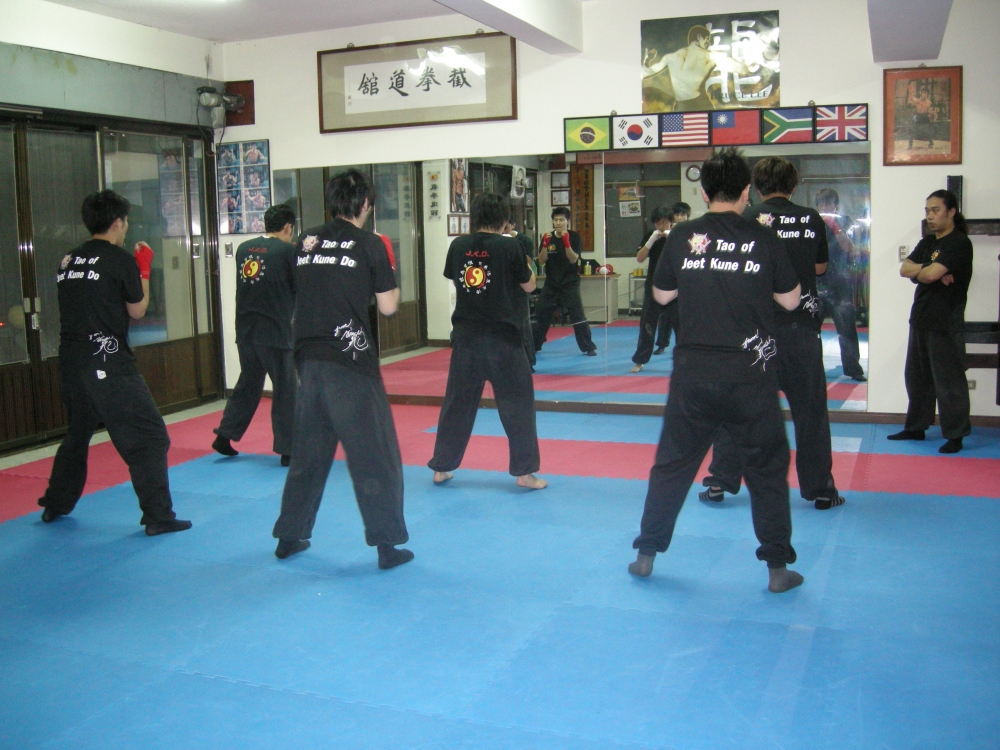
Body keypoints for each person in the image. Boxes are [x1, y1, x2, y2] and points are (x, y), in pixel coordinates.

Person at [628, 148, 804, 593]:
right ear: (746, 191)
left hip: (694, 374)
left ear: (704, 192)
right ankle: (777, 568)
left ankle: (646, 554)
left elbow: (662, 296)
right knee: (766, 469)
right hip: (750, 374)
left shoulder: (682, 236)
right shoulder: (764, 237)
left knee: (672, 464)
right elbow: (790, 301)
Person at [271, 169, 412, 568]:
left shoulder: (306, 241)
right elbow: (388, 307)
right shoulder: (370, 244)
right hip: (350, 361)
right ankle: (387, 545)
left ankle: (289, 535)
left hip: (308, 356)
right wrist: (388, 273)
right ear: (366, 203)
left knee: (309, 453)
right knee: (374, 455)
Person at [38, 190, 191, 536]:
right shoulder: (118, 259)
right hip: (107, 361)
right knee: (150, 436)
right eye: (126, 222)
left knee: (78, 433)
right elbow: (137, 310)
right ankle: (158, 516)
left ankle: (55, 503)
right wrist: (144, 268)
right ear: (119, 222)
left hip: (72, 361)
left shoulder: (69, 260)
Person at [700, 156, 845, 510]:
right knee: (810, 412)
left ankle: (720, 481)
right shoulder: (811, 218)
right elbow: (820, 267)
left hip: (753, 332)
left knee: (735, 408)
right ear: (793, 186)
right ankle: (821, 489)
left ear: (756, 187)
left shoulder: (746, 218)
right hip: (800, 328)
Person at [429, 194, 546, 490]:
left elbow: (457, 280)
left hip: (466, 338)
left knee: (457, 404)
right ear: (504, 220)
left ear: (474, 217)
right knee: (518, 405)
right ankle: (524, 473)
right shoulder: (511, 246)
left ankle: (441, 467)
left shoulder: (458, 246)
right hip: (503, 340)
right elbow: (529, 285)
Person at [213, 204, 298, 465]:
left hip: (246, 331)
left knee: (248, 385)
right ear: (288, 227)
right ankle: (288, 450)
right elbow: (298, 286)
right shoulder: (287, 252)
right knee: (286, 389)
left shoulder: (244, 249)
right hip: (275, 332)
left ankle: (225, 435)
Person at [891, 189, 973, 453]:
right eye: (927, 211)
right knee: (917, 378)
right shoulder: (928, 242)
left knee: (949, 381)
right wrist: (930, 268)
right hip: (920, 317)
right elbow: (905, 269)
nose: (930, 216)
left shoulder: (959, 243)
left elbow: (926, 276)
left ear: (951, 212)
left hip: (945, 321)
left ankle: (955, 435)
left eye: (936, 210)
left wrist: (926, 271)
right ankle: (916, 427)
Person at [532, 207, 598, 357]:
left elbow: (573, 259)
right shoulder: (548, 237)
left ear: (567, 221)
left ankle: (588, 346)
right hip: (551, 282)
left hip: (570, 282)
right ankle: (534, 345)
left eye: (561, 220)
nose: (558, 223)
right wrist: (544, 245)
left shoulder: (575, 237)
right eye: (555, 220)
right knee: (541, 313)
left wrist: (566, 243)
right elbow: (541, 261)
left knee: (577, 315)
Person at [816, 188, 866, 381]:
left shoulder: (845, 221)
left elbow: (851, 248)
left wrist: (834, 226)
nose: (825, 207)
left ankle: (853, 368)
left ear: (836, 205)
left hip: (840, 281)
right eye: (822, 203)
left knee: (846, 329)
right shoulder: (812, 221)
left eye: (829, 203)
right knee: (811, 330)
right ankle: (812, 368)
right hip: (817, 281)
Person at [630, 206, 674, 372]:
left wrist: (671, 237)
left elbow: (688, 254)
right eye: (658, 223)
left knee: (682, 325)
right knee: (647, 324)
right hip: (654, 285)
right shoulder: (651, 235)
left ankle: (688, 361)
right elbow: (639, 258)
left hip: (675, 286)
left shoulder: (678, 234)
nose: (661, 226)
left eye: (664, 222)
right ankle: (640, 360)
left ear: (671, 222)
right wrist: (651, 241)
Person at [642, 25, 717, 111]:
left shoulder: (671, 57)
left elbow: (645, 73)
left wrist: (647, 61)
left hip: (684, 106)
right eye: (706, 38)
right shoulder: (710, 56)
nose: (708, 42)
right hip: (695, 105)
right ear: (699, 37)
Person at [505, 220, 537, 370]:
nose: (504, 230)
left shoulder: (523, 240)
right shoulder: (496, 242)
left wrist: (513, 246)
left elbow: (528, 262)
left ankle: (529, 361)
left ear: (513, 225)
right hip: (502, 288)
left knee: (523, 325)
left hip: (520, 287)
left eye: (507, 227)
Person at [907, 84, 935, 150]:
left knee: (927, 131)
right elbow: (911, 98)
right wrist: (910, 92)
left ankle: (931, 143)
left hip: (925, 117)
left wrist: (931, 113)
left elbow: (929, 110)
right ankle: (910, 145)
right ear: (921, 93)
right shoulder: (917, 101)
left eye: (926, 93)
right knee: (913, 131)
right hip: (918, 117)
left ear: (927, 94)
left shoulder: (929, 102)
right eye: (923, 93)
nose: (924, 94)